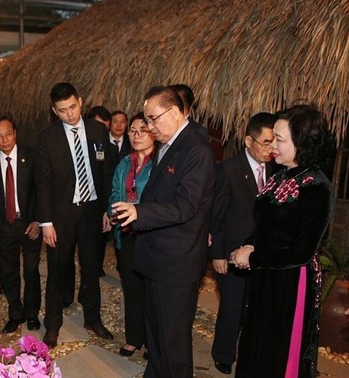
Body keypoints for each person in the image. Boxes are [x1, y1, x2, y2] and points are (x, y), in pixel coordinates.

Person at [112, 86, 214, 377]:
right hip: (157, 256)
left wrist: (139, 212)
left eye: (153, 119)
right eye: (147, 120)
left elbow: (185, 206)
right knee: (156, 332)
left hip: (176, 261)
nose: (150, 127)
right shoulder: (168, 145)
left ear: (174, 111)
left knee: (172, 341)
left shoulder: (196, 148)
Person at [231, 105, 334, 377]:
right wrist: (249, 245)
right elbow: (266, 223)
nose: (272, 145)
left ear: (301, 142)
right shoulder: (280, 175)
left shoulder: (316, 186)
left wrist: (253, 257)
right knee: (256, 345)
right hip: (266, 275)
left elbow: (301, 251)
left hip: (291, 281)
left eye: (280, 139)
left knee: (279, 351)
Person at [36, 82, 115, 348]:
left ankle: (92, 317)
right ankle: (53, 323)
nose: (69, 114)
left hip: (92, 211)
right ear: (54, 111)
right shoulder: (47, 138)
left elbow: (105, 174)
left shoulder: (98, 131)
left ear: (80, 101)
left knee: (92, 268)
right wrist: (46, 222)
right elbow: (43, 184)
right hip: (61, 215)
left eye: (72, 107)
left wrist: (107, 208)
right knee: (58, 269)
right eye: (62, 110)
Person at [209, 112, 277, 375]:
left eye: (274, 143)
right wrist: (217, 255)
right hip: (232, 252)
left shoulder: (275, 170)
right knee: (232, 306)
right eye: (265, 142)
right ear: (249, 140)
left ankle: (250, 351)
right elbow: (216, 215)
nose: (270, 149)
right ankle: (224, 353)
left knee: (256, 308)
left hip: (261, 254)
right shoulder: (228, 169)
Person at [0, 116, 42, 333]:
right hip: (3, 226)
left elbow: (42, 191)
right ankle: (15, 313)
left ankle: (33, 313)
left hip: (29, 224)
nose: (4, 140)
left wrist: (38, 220)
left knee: (32, 270)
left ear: (15, 133)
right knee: (8, 272)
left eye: (8, 134)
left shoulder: (32, 156)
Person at [103, 113, 154, 358]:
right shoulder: (124, 163)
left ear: (154, 131)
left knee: (152, 289)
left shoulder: (161, 163)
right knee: (131, 287)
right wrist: (113, 209)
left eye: (142, 130)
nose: (136, 135)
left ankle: (152, 340)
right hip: (126, 232)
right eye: (132, 131)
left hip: (152, 234)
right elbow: (114, 191)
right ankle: (134, 338)